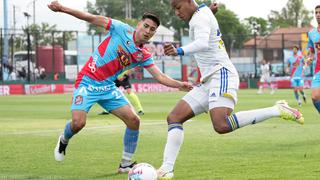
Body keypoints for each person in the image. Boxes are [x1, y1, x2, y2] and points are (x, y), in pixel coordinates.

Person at [157, 0, 304, 179]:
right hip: (209, 79)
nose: (176, 13)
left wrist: (178, 50)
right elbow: (204, 18)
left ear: (189, 1)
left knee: (221, 124)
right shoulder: (202, 13)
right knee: (174, 117)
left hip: (221, 74)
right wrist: (210, 12)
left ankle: (277, 109)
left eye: (178, 7)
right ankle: (166, 169)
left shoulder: (200, 16)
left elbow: (202, 43)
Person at [48, 0, 192, 174]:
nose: (147, 31)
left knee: (134, 121)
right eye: (146, 26)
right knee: (78, 123)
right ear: (139, 24)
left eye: (152, 30)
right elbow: (91, 17)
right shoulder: (120, 28)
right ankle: (64, 139)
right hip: (87, 81)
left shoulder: (143, 54)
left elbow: (160, 76)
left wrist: (180, 85)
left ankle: (125, 164)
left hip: (108, 88)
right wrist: (63, 9)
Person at [307, 5, 320, 113]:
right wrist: (310, 58)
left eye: (319, 12)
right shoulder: (312, 33)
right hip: (318, 70)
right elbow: (311, 51)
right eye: (316, 13)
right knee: (315, 97)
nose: (318, 15)